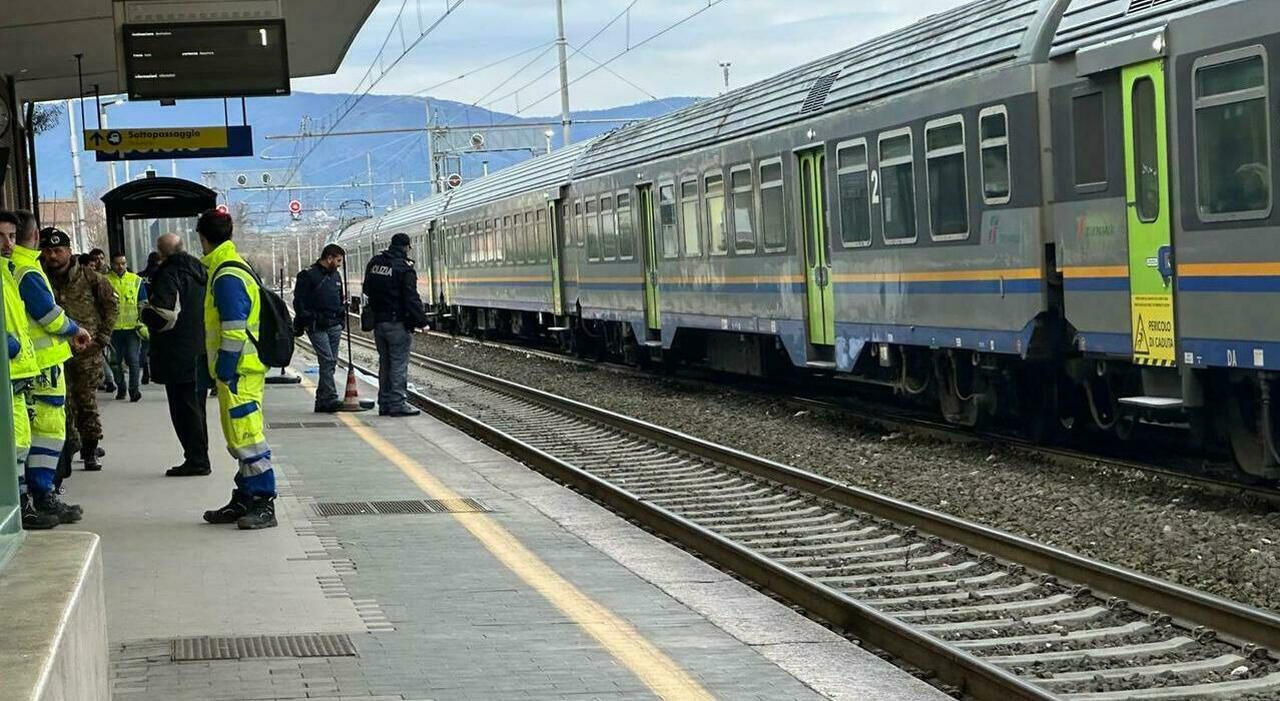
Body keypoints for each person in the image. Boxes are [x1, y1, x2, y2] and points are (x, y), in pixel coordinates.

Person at [196, 210, 277, 529]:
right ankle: (244, 497)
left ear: (203, 239)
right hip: (242, 370)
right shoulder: (231, 266)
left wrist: (224, 370)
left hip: (239, 372)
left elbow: (232, 329)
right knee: (239, 436)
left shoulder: (226, 275)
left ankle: (263, 502)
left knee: (247, 437)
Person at [8, 215, 92, 524]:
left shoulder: (14, 267)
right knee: (45, 432)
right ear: (35, 237)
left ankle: (37, 496)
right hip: (41, 367)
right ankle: (41, 495)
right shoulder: (25, 269)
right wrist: (74, 329)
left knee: (34, 434)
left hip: (32, 364)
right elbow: (48, 315)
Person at [0, 212, 59, 529]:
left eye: (11, 236)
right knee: (14, 443)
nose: (8, 243)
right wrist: (7, 344)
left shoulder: (9, 271)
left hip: (19, 371)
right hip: (8, 371)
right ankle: (18, 506)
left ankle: (22, 506)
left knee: (20, 441)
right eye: (1, 237)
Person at [43, 229, 117, 473]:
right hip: (54, 351)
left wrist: (102, 338)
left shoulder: (89, 277)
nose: (53, 256)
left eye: (58, 250)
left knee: (86, 402)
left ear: (69, 251)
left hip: (86, 353)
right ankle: (68, 448)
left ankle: (90, 448)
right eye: (48, 251)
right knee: (61, 404)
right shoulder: (40, 277)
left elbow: (110, 305)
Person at [141, 234, 211, 477]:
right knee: (197, 408)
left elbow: (164, 315)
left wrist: (145, 313)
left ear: (161, 253)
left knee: (183, 410)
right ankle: (200, 456)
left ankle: (196, 460)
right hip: (201, 348)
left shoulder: (169, 273)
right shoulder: (201, 271)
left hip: (176, 352)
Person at [363, 233, 428, 417]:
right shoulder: (404, 268)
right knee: (398, 364)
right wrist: (422, 321)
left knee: (385, 364)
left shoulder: (375, 263)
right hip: (397, 323)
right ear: (406, 247)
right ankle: (398, 403)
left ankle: (384, 403)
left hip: (379, 323)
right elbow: (411, 298)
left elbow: (366, 289)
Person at [292, 244, 346, 413]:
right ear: (329, 258)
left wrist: (341, 320)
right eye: (338, 260)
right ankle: (329, 397)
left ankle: (322, 401)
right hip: (316, 325)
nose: (339, 265)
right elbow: (299, 302)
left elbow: (339, 298)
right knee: (327, 360)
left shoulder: (335, 275)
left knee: (331, 362)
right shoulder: (308, 275)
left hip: (334, 325)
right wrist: (308, 319)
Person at [106, 254, 147, 401]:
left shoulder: (136, 280)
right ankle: (121, 388)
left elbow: (143, 303)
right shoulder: (105, 280)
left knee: (133, 359)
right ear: (112, 264)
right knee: (115, 362)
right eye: (117, 264)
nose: (120, 266)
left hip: (133, 328)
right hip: (113, 329)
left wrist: (143, 323)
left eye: (123, 263)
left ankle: (134, 390)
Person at [139, 251, 162, 385]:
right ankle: (156, 370)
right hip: (159, 313)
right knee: (158, 345)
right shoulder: (162, 275)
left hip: (144, 312)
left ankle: (146, 371)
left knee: (145, 346)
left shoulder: (140, 277)